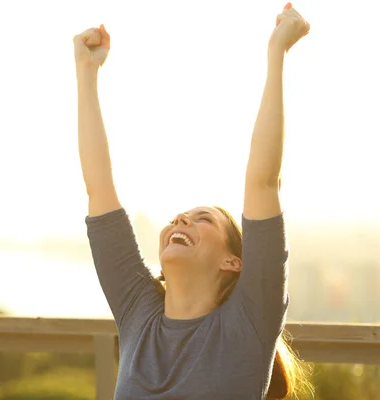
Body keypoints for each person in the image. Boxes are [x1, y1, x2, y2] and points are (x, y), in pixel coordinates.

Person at [74, 3, 310, 399]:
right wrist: (86, 72)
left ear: (234, 262)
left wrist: (277, 53)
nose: (181, 219)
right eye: (179, 217)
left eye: (203, 219)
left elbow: (263, 184)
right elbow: (99, 188)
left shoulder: (249, 321)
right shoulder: (139, 313)